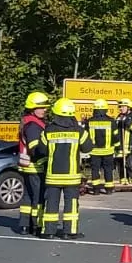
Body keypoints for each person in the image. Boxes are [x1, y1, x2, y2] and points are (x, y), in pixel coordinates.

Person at [36, 98, 91, 238]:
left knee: (51, 204)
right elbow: (88, 148)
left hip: (52, 176)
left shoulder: (48, 130)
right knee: (71, 205)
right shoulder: (79, 131)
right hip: (71, 176)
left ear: (56, 113)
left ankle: (48, 231)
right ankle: (69, 231)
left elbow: (41, 150)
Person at [16, 91, 51, 234]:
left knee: (28, 196)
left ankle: (25, 225)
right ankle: (36, 225)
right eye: (41, 107)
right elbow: (35, 148)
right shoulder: (33, 125)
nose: (44, 110)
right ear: (32, 108)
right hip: (36, 166)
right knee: (38, 197)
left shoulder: (28, 121)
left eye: (45, 107)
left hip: (27, 165)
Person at [86, 100, 116, 193]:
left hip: (94, 151)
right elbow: (115, 135)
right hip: (108, 150)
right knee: (108, 169)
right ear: (105, 109)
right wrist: (117, 146)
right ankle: (109, 189)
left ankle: (96, 189)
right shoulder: (111, 121)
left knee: (95, 170)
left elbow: (86, 136)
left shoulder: (89, 121)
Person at [113, 100, 132, 187]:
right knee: (120, 164)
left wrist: (128, 122)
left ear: (129, 107)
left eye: (123, 106)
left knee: (130, 164)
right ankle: (123, 181)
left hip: (129, 146)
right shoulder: (119, 117)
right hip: (119, 146)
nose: (121, 108)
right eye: (120, 107)